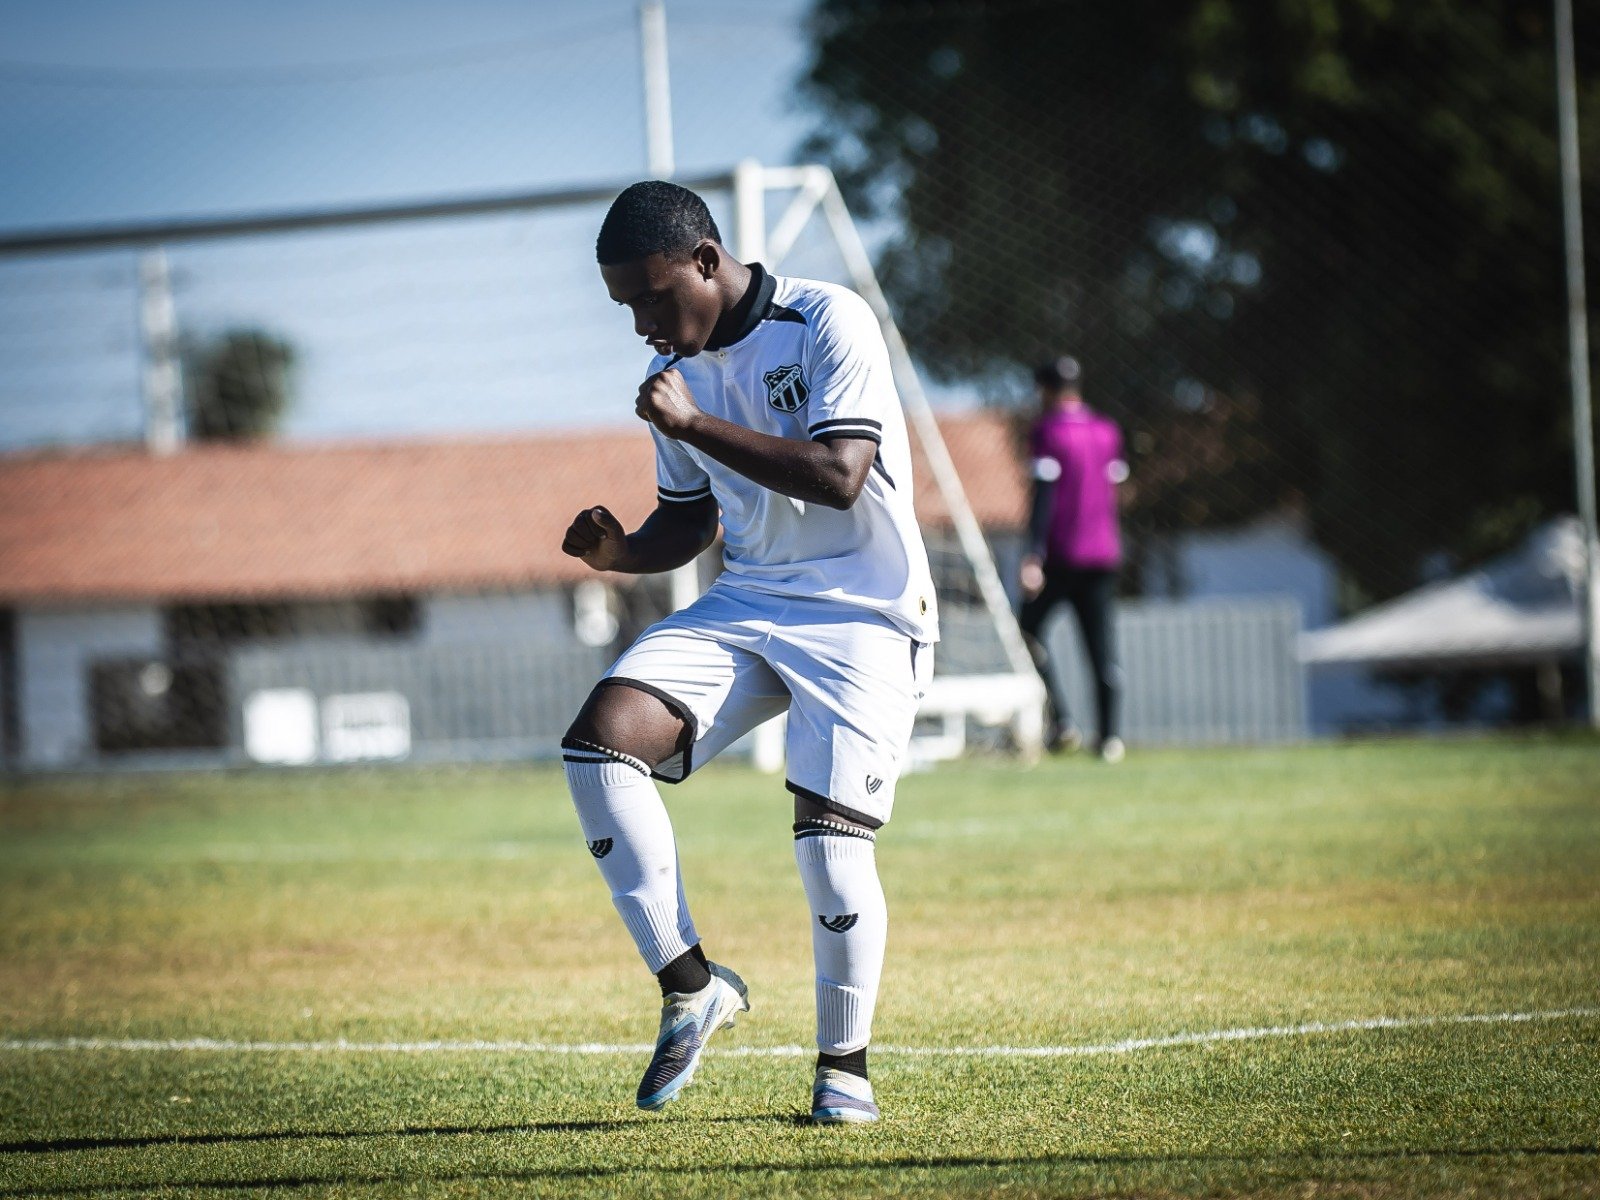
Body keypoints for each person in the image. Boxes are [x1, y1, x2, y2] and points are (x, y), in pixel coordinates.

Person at [559, 181, 938, 1124]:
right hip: (752, 601)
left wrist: (689, 421)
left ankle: (843, 1071)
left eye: (653, 297)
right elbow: (688, 519)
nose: (644, 323)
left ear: (705, 261)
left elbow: (840, 476)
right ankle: (692, 984)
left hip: (864, 611)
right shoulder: (679, 372)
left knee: (830, 851)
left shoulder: (825, 320)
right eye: (625, 310)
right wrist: (621, 553)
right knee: (599, 741)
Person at [1018, 355, 1127, 762]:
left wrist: (1033, 555)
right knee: (1101, 650)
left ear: (1045, 389)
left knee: (1025, 631)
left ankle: (1061, 720)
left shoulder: (1048, 432)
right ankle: (1111, 739)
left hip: (1062, 557)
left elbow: (1044, 498)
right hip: (1103, 555)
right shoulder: (1107, 431)